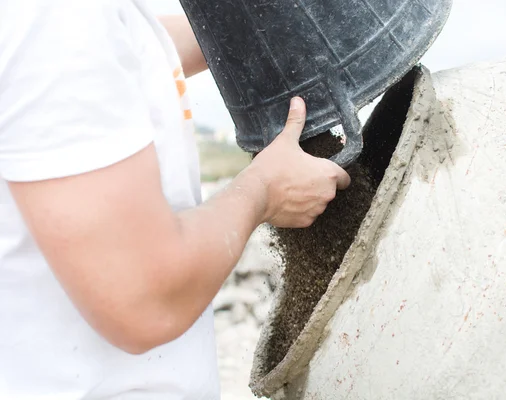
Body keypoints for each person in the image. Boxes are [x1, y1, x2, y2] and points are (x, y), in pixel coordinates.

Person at [0, 0, 350, 398]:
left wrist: (260, 20)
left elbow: (116, 54)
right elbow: (144, 297)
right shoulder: (55, 15)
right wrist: (263, 190)